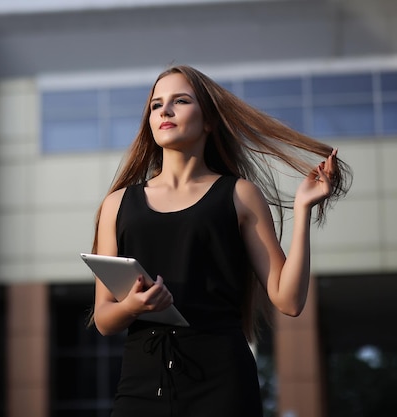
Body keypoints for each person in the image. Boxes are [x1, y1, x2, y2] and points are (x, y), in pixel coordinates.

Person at [90, 65, 352, 416]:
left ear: (209, 121)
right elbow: (105, 319)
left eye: (180, 101)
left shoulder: (240, 195)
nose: (164, 111)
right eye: (156, 105)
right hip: (140, 388)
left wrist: (303, 208)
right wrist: (133, 307)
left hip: (222, 385)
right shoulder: (117, 204)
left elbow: (288, 300)